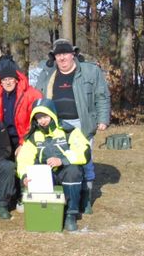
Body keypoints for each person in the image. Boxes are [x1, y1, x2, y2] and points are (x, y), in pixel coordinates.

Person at [35, 39, 110, 214]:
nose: (62, 58)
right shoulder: (48, 73)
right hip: (57, 124)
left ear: (73, 54)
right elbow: (38, 95)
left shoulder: (90, 71)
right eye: (58, 55)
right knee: (61, 159)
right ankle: (67, 197)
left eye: (65, 54)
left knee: (84, 160)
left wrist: (103, 119)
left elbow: (102, 95)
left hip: (81, 123)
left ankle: (86, 197)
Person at [17, 98, 91, 231]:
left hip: (65, 171)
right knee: (33, 173)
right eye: (38, 118)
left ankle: (71, 214)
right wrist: (24, 176)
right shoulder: (34, 136)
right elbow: (24, 159)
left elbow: (84, 151)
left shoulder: (68, 130)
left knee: (73, 171)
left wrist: (62, 160)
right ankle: (42, 212)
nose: (42, 121)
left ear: (52, 114)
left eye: (45, 116)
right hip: (46, 174)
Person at [0, 63, 42, 156]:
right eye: (4, 80)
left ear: (16, 80)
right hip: (3, 139)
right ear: (1, 83)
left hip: (24, 137)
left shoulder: (31, 95)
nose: (8, 82)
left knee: (23, 159)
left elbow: (36, 122)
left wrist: (23, 143)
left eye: (10, 79)